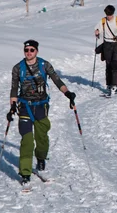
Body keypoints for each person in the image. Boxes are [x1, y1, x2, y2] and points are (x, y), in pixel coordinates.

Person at [8, 40, 75, 186]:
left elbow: (57, 80)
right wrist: (12, 107)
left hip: (41, 106)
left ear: (37, 51)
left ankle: (41, 157)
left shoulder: (44, 65)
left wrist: (68, 94)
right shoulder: (18, 68)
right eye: (26, 50)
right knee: (26, 140)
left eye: (32, 50)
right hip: (25, 106)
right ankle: (25, 172)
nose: (29, 52)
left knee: (42, 137)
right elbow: (14, 88)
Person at [94, 5, 117, 95]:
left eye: (110, 14)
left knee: (115, 64)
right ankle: (109, 85)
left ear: (113, 13)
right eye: (107, 14)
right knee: (108, 65)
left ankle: (115, 86)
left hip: (116, 45)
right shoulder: (102, 21)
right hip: (107, 45)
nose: (108, 16)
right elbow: (97, 30)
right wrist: (97, 32)